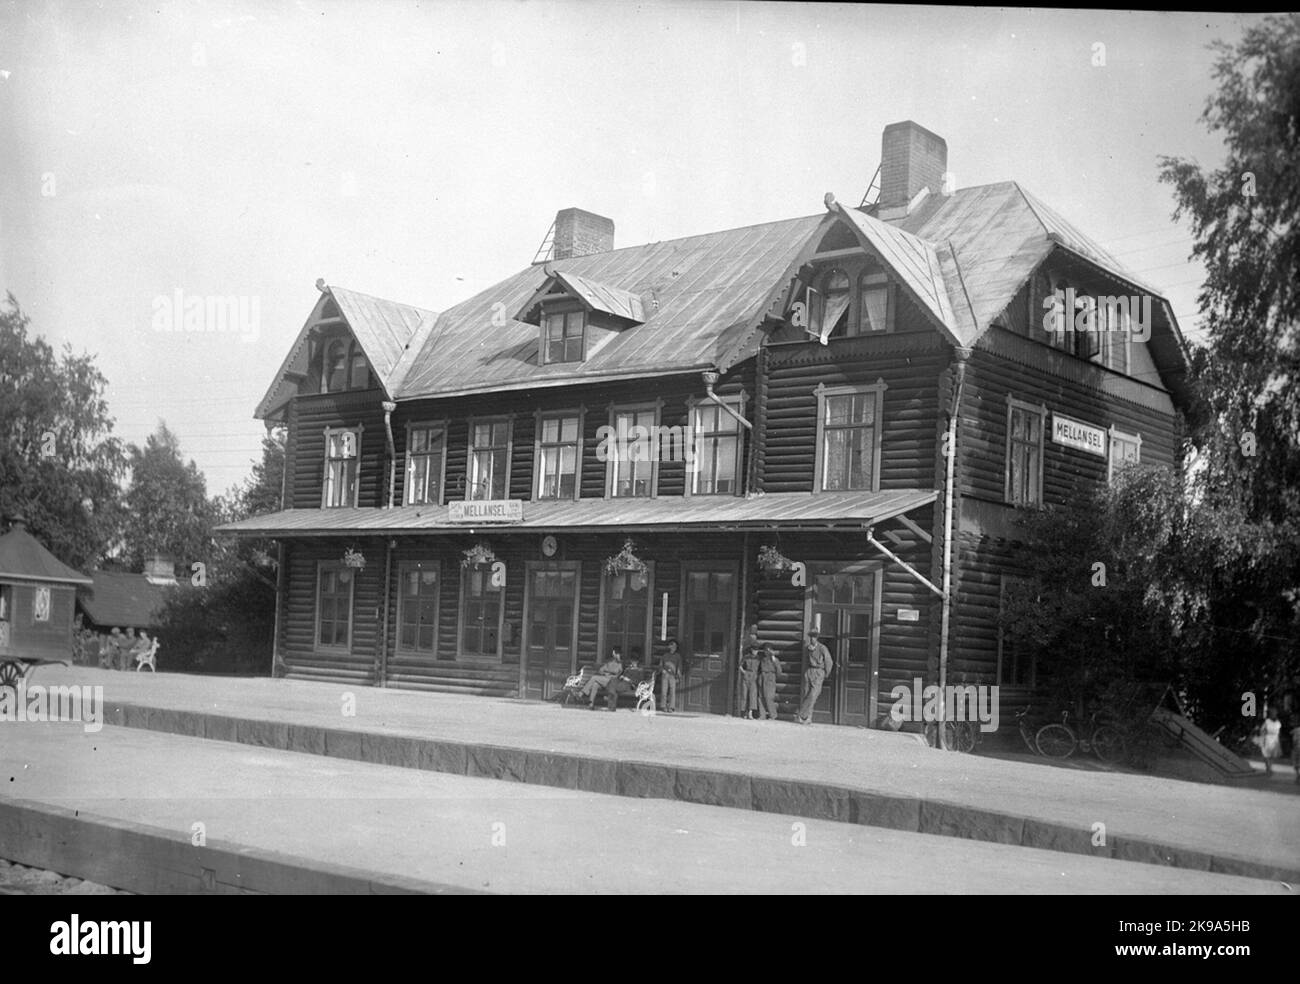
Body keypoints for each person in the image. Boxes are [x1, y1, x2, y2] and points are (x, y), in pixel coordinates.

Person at [795, 631, 833, 724]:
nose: (812, 639)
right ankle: (807, 718)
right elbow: (805, 661)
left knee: (813, 695)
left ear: (817, 638)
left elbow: (829, 662)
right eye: (811, 637)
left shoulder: (822, 648)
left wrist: (825, 673)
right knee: (806, 694)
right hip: (809, 672)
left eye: (814, 637)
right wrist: (805, 672)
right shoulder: (808, 648)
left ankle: (803, 715)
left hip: (818, 672)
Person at [657, 639, 682, 713]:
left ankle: (671, 707)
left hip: (673, 676)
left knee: (672, 692)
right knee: (664, 691)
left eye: (675, 646)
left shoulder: (678, 656)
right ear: (669, 646)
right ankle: (663, 706)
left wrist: (678, 676)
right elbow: (660, 665)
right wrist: (662, 670)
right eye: (672, 645)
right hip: (665, 675)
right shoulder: (665, 655)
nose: (673, 647)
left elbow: (679, 667)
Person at [757, 645, 781, 720]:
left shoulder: (774, 660)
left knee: (769, 697)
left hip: (770, 677)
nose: (766, 652)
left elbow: (779, 671)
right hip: (762, 677)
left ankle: (773, 715)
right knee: (761, 697)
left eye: (768, 650)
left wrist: (773, 678)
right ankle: (762, 715)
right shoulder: (762, 659)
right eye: (765, 650)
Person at [737, 644, 760, 719]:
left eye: (756, 650)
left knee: (752, 695)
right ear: (751, 650)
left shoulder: (759, 658)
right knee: (744, 694)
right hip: (747, 675)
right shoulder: (746, 657)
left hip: (754, 676)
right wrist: (744, 672)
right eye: (754, 650)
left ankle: (750, 713)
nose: (755, 652)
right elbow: (740, 666)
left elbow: (761, 668)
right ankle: (744, 713)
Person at [1260, 706, 1282, 776]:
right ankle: (1268, 767)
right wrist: (1263, 739)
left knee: (1272, 755)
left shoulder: (1278, 722)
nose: (1274, 714)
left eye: (1275, 713)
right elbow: (1262, 730)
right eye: (1273, 713)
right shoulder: (1267, 721)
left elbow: (1279, 732)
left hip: (1275, 739)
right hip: (1268, 739)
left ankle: (1270, 767)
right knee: (1266, 755)